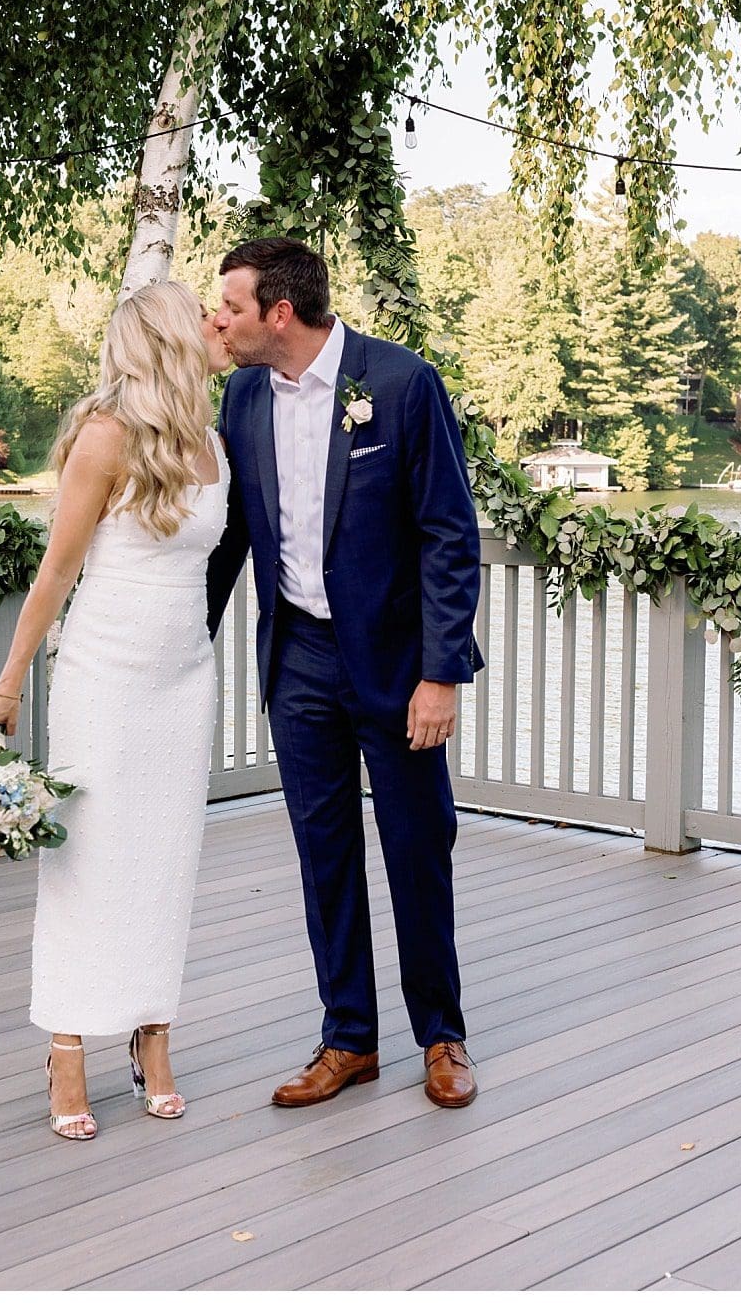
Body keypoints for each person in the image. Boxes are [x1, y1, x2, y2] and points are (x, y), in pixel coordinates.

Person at [204, 236, 485, 1109]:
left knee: (414, 849)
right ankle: (347, 1040)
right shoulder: (244, 394)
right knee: (323, 855)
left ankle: (442, 1037)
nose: (220, 320)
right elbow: (231, 533)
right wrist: (182, 636)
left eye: (232, 308)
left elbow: (449, 533)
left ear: (278, 314)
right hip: (298, 662)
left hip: (397, 669)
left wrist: (441, 674)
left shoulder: (398, 383)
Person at [0, 280, 232, 1142]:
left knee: (167, 859)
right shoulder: (102, 436)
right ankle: (70, 1044)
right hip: (105, 674)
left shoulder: (213, 443)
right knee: (88, 863)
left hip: (185, 677)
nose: (217, 324)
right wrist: (8, 684)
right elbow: (57, 571)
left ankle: (154, 1029)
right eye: (203, 314)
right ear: (168, 338)